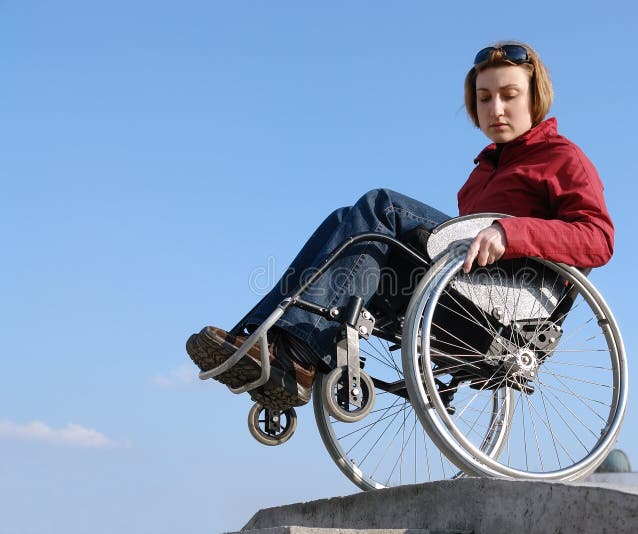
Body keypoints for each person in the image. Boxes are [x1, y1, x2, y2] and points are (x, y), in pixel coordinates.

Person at [185, 41, 614, 411]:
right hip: (466, 286)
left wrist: (509, 232)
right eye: (484, 98)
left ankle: (296, 349)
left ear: (534, 97)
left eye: (509, 95)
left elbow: (598, 239)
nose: (495, 108)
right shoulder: (478, 177)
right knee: (348, 224)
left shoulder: (561, 157)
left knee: (381, 206)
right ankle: (261, 339)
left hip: (515, 298)